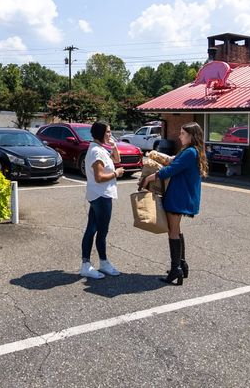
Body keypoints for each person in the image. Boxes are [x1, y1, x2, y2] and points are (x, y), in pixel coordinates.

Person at [139, 122, 208, 286]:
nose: (179, 136)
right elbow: (173, 161)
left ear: (191, 136)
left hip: (179, 196)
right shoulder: (191, 150)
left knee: (173, 231)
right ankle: (181, 265)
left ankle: (175, 269)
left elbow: (171, 169)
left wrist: (148, 178)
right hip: (181, 195)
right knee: (176, 229)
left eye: (183, 133)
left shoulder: (190, 152)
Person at [79, 121, 125, 279]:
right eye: (108, 132)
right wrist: (116, 173)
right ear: (100, 134)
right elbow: (99, 177)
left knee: (92, 229)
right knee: (101, 231)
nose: (110, 135)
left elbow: (117, 159)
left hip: (98, 195)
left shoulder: (99, 149)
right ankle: (101, 263)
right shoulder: (96, 152)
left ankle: (89, 264)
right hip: (101, 196)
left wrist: (114, 146)